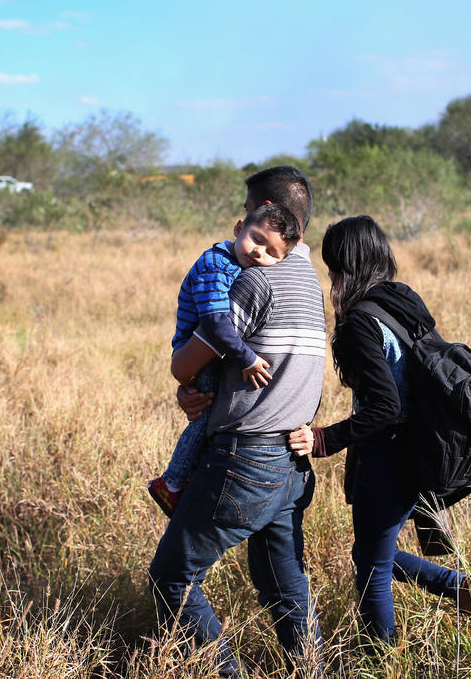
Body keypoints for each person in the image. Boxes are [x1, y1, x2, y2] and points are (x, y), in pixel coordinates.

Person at [287, 215, 471, 646]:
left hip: (390, 455)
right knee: (372, 557)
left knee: (371, 573)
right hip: (421, 447)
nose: (330, 276)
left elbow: (386, 406)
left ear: (344, 265)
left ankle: (382, 661)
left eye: (332, 266)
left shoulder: (360, 321)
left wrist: (325, 439)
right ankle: (466, 589)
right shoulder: (400, 301)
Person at [149, 166, 325, 677]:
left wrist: (186, 384)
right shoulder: (309, 280)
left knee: (172, 578)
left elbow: (185, 363)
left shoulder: (253, 279)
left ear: (264, 213)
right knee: (281, 582)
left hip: (246, 459)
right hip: (292, 461)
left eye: (248, 211)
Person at [147, 201, 304, 517]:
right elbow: (216, 322)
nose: (260, 253)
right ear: (238, 228)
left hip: (216, 353)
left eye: (273, 254)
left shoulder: (240, 265)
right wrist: (247, 359)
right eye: (256, 239)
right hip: (201, 354)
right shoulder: (215, 265)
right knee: (205, 418)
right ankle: (173, 482)